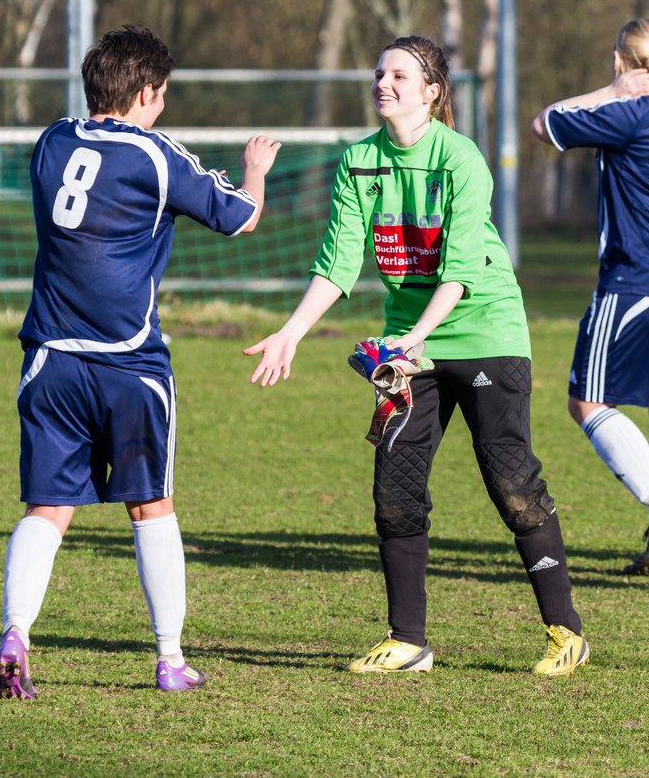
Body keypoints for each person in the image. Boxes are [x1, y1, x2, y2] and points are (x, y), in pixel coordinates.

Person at [244, 35, 589, 677]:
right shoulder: (358, 161)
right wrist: (292, 330)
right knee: (396, 487)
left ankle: (565, 631)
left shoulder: (461, 158)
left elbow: (459, 272)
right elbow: (340, 260)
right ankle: (408, 641)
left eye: (400, 74)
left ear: (432, 91)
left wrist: (414, 341)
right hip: (411, 344)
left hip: (485, 331)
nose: (384, 83)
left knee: (511, 483)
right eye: (379, 73)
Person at [0, 25, 280, 698]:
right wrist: (257, 170)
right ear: (147, 91)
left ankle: (15, 632)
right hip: (129, 363)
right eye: (162, 95)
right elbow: (240, 217)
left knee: (46, 508)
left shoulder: (50, 142)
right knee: (152, 506)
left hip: (52, 358)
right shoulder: (154, 155)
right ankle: (170, 658)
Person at [529, 18, 649, 577]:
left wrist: (609, 91)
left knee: (587, 400)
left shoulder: (631, 111)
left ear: (620, 60)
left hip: (639, 278)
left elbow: (545, 123)